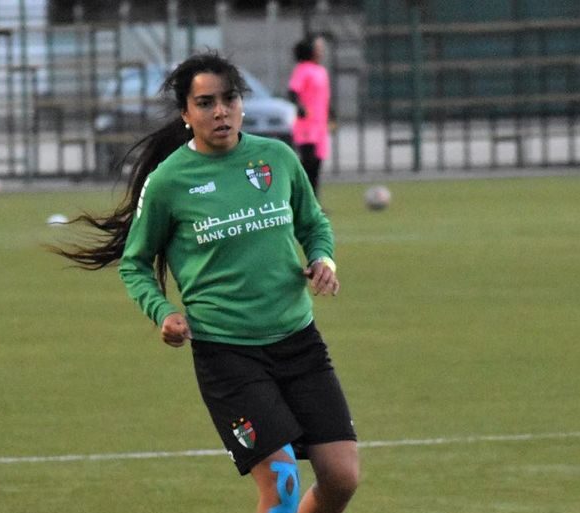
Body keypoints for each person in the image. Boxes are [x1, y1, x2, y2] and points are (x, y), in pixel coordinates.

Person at [53, 52, 359, 513]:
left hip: (299, 342)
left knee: (341, 479)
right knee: (283, 486)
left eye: (229, 99)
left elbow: (313, 223)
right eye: (205, 102)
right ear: (185, 113)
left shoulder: (276, 157)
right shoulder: (169, 181)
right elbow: (134, 264)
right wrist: (165, 312)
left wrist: (323, 260)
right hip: (229, 355)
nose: (220, 111)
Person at [288, 35, 331, 198]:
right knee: (308, 162)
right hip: (307, 124)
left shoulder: (321, 71)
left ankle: (314, 200)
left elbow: (323, 96)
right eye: (318, 47)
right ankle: (301, 199)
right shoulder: (302, 69)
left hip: (320, 124)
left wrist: (331, 113)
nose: (321, 51)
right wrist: (300, 108)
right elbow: (292, 92)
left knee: (317, 164)